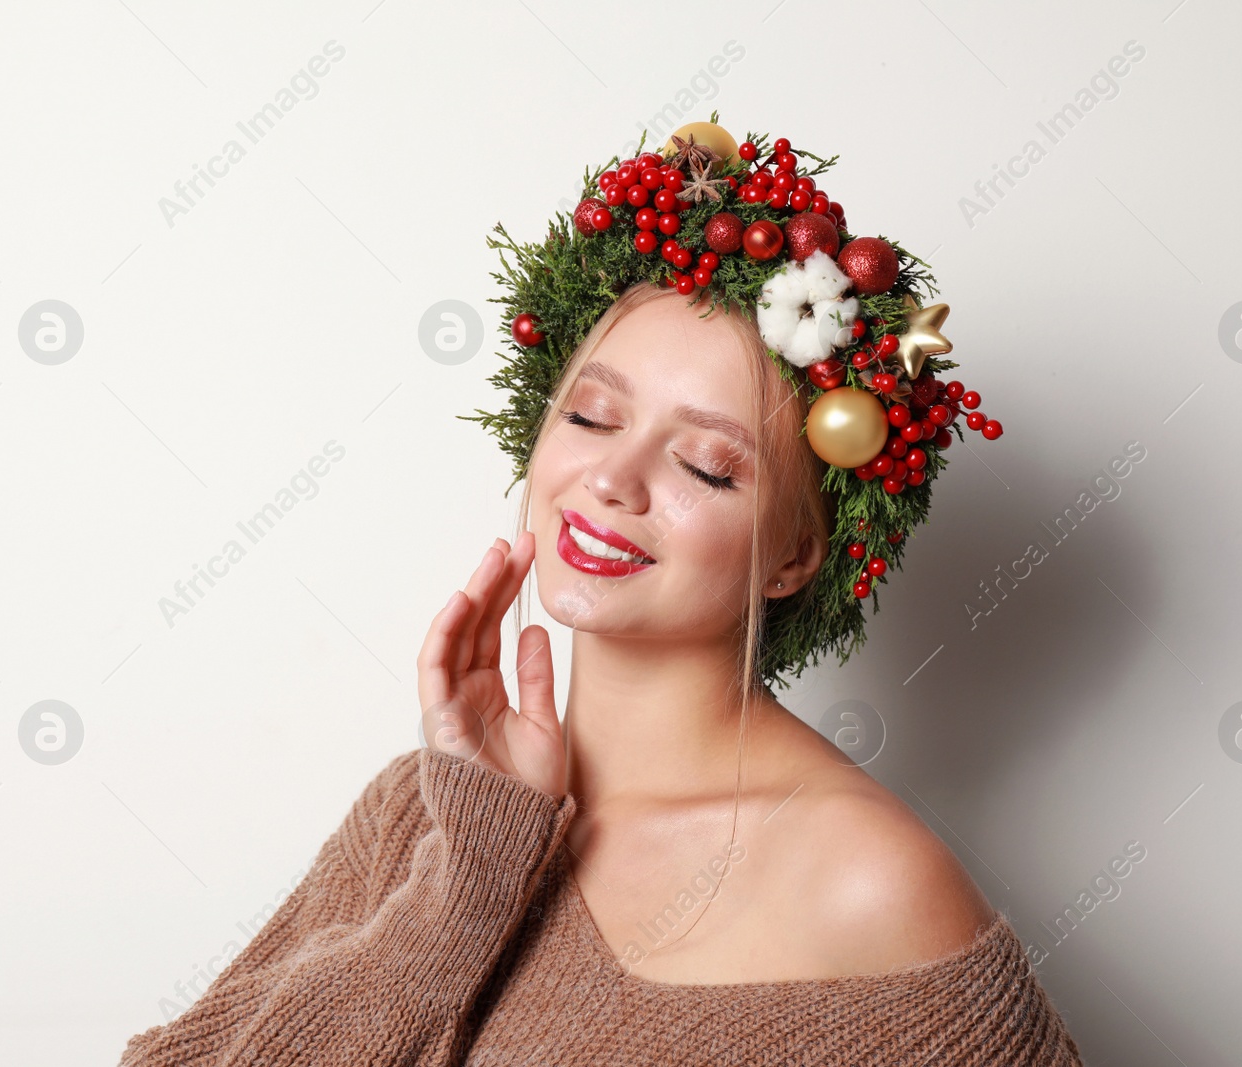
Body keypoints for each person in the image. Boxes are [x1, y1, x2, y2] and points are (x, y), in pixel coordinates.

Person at [116, 118, 1084, 1065]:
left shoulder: (866, 883)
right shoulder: (425, 811)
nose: (614, 478)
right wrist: (471, 880)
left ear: (796, 556)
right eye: (589, 414)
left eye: (708, 467)